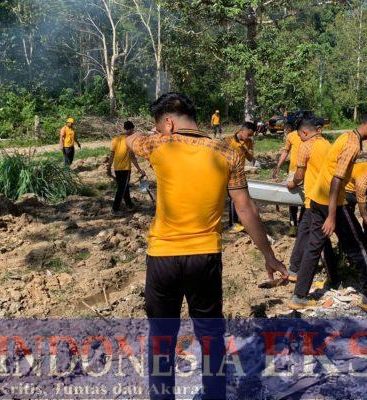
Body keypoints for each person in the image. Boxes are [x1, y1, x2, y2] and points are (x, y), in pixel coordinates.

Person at [126, 92, 286, 400]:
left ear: (168, 123)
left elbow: (133, 139)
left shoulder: (159, 144)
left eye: (160, 126)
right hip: (205, 258)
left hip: (163, 259)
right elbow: (246, 208)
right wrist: (269, 256)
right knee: (211, 336)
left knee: (162, 338)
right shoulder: (228, 152)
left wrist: (134, 133)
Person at [289, 108, 367, 311]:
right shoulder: (352, 144)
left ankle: (299, 296)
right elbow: (336, 180)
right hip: (333, 204)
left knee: (314, 247)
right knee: (359, 247)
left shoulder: (345, 136)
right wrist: (332, 216)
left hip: (316, 198)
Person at [286, 116, 338, 287]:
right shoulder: (327, 145)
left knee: (313, 236)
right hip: (327, 196)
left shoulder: (305, 146)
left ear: (305, 132)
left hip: (313, 199)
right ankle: (296, 270)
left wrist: (291, 184)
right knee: (308, 233)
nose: (298, 138)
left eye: (299, 134)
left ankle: (300, 273)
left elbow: (299, 176)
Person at [224, 121, 257, 233]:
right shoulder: (228, 140)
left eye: (251, 135)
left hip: (239, 174)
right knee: (234, 198)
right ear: (242, 130)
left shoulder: (249, 142)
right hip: (227, 173)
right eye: (249, 134)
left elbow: (251, 158)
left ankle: (235, 223)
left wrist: (245, 151)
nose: (250, 137)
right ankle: (232, 224)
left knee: (237, 199)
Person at [107, 121, 146, 214]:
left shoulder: (115, 140)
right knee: (121, 189)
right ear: (132, 129)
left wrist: (108, 168)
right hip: (125, 168)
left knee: (124, 187)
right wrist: (139, 169)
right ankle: (115, 209)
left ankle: (129, 205)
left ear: (124, 128)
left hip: (117, 168)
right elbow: (132, 157)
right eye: (132, 130)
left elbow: (111, 156)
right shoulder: (129, 141)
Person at [273, 123, 305, 235]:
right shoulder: (291, 136)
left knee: (306, 198)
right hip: (293, 171)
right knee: (292, 199)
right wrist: (278, 165)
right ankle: (293, 224)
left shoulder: (312, 136)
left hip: (308, 171)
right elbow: (286, 151)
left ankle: (302, 224)